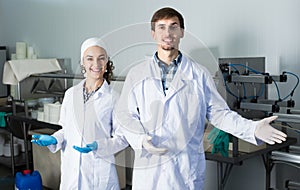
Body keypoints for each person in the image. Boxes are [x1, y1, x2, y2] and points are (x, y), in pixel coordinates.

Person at [114, 7, 287, 190]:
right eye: (161, 27)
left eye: (173, 26)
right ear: (153, 34)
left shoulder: (199, 74)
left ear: (181, 32)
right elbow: (124, 114)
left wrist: (252, 129)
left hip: (185, 169)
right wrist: (141, 139)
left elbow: (219, 114)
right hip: (150, 172)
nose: (168, 33)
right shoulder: (137, 74)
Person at [31, 37, 128, 189]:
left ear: (107, 63)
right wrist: (54, 139)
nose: (96, 64)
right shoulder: (70, 94)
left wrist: (98, 146)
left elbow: (122, 138)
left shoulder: (114, 98)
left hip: (98, 174)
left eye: (101, 59)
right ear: (82, 62)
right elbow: (66, 130)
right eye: (90, 59)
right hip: (71, 173)